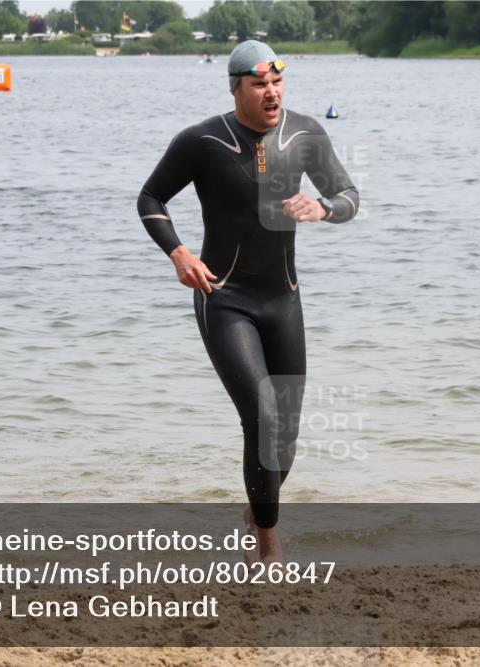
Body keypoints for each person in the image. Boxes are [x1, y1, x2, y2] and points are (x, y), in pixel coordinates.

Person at [137, 40, 360, 565]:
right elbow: (151, 198)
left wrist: (323, 207)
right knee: (261, 417)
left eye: (277, 82)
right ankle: (267, 547)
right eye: (259, 84)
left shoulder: (306, 134)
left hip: (283, 300)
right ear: (236, 88)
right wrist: (179, 254)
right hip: (224, 297)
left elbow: (350, 196)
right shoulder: (202, 140)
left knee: (285, 442)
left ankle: (256, 512)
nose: (272, 92)